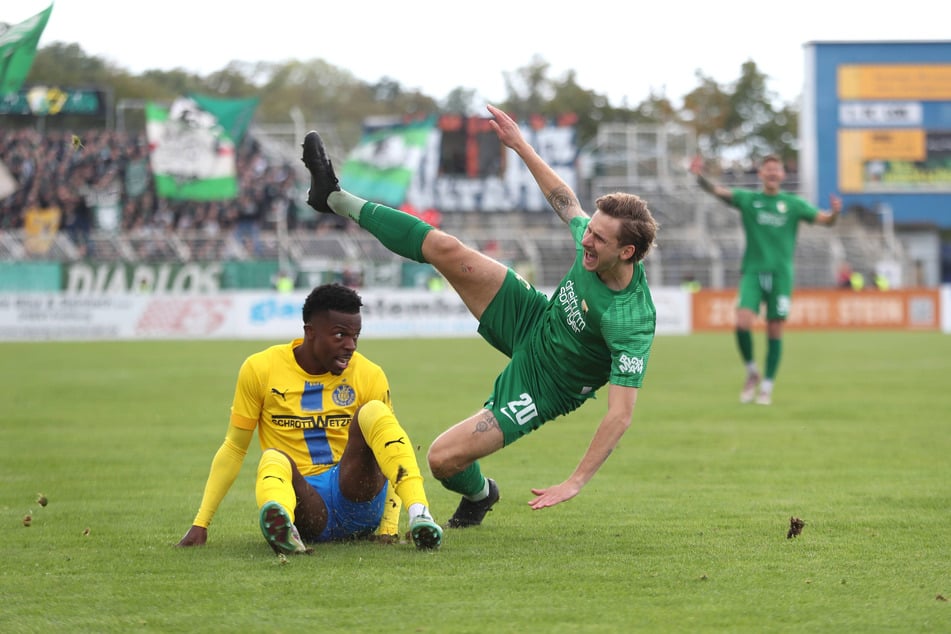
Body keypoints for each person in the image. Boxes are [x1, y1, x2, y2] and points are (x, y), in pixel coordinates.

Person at [301, 103, 658, 528]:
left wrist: (576, 480)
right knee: (446, 248)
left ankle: (480, 493)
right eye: (590, 230)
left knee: (441, 459)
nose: (587, 239)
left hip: (545, 385)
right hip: (533, 319)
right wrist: (520, 144)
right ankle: (334, 197)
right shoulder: (594, 240)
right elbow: (566, 201)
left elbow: (620, 413)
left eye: (598, 238)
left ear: (627, 252)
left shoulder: (631, 318)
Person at [176, 283, 442, 554]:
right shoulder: (260, 369)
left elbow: (392, 448)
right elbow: (234, 448)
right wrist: (201, 523)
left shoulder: (369, 374)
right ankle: (284, 527)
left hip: (355, 497)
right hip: (307, 507)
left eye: (356, 336)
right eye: (340, 335)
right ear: (310, 333)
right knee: (272, 458)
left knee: (374, 412)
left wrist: (388, 529)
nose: (350, 346)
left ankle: (420, 514)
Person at [690, 154, 841, 405]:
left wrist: (834, 213)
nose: (772, 173)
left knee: (774, 328)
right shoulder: (750, 200)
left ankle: (767, 386)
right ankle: (752, 371)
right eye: (768, 169)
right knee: (742, 321)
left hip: (781, 275)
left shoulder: (793, 204)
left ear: (782, 175)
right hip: (753, 272)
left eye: (776, 170)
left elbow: (825, 221)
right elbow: (718, 191)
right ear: (760, 174)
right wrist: (698, 177)